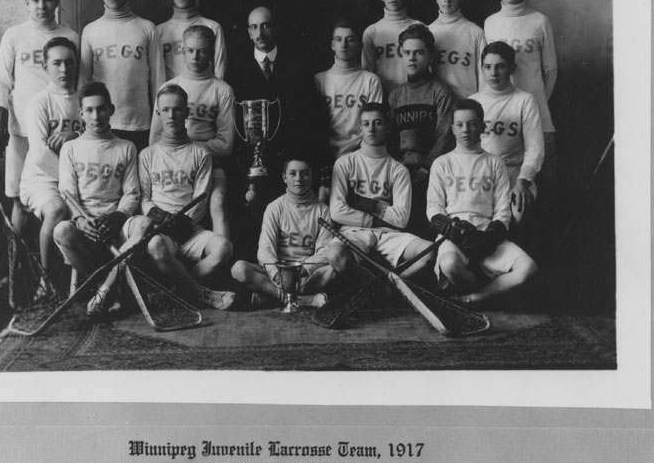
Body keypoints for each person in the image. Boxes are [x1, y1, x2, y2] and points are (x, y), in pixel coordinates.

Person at [0, 0, 79, 234]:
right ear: (26, 2)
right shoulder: (14, 35)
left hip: (59, 132)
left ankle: (54, 269)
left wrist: (76, 131)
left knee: (62, 200)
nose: (41, 6)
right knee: (19, 201)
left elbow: (79, 87)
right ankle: (17, 269)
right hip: (22, 132)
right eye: (35, 0)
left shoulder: (70, 37)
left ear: (57, 0)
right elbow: (2, 81)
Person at [427, 98, 538, 305]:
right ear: (452, 129)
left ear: (482, 126)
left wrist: (489, 238)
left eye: (471, 124)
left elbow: (503, 211)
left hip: (486, 234)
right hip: (454, 233)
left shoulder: (495, 163)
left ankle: (478, 297)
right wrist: (453, 230)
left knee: (528, 268)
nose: (466, 130)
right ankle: (488, 289)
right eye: (459, 125)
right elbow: (433, 209)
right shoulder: (442, 163)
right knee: (449, 264)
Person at [138, 84, 236, 310]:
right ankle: (200, 292)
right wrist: (159, 217)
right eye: (166, 110)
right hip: (160, 228)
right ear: (158, 113)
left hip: (189, 228)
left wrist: (184, 222)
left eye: (177, 109)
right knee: (155, 246)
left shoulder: (200, 153)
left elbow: (201, 197)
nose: (171, 116)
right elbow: (144, 198)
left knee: (223, 247)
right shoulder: (147, 155)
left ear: (187, 112)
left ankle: (179, 290)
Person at [54, 82, 146, 317]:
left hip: (116, 225)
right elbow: (68, 193)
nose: (97, 116)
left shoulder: (126, 147)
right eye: (90, 110)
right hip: (86, 225)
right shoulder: (71, 148)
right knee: (61, 231)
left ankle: (105, 287)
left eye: (102, 109)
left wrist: (117, 217)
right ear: (81, 114)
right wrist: (80, 220)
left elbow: (132, 193)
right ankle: (106, 287)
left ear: (112, 109)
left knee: (145, 225)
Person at [328, 103, 434, 285]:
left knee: (430, 252)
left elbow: (401, 219)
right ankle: (386, 287)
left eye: (377, 123)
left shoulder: (398, 169)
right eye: (366, 124)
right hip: (355, 232)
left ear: (387, 128)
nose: (371, 128)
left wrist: (372, 205)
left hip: (388, 233)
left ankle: (389, 286)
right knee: (336, 256)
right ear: (360, 128)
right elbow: (337, 211)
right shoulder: (345, 163)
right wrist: (377, 217)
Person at [230, 6, 322, 208]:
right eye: (254, 27)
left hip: (290, 160)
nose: (260, 33)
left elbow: (310, 117)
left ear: (275, 28)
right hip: (251, 163)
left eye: (265, 26)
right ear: (248, 32)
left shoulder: (297, 65)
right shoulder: (236, 70)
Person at [150, 25, 235, 239]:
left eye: (202, 51)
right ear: (183, 51)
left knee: (218, 203)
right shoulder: (169, 87)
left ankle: (220, 261)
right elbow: (154, 139)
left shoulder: (222, 89)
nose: (195, 57)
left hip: (210, 161)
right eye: (190, 50)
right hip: (171, 161)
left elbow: (225, 144)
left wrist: (192, 150)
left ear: (211, 52)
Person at [483, 0, 557, 187]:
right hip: (503, 117)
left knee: (539, 181)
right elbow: (488, 70)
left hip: (537, 113)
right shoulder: (490, 23)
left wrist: (537, 102)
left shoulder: (539, 21)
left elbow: (550, 70)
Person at [231, 152, 335, 309]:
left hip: (305, 276)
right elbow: (265, 250)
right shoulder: (275, 208)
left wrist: (303, 270)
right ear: (284, 178)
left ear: (312, 177)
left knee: (333, 270)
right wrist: (276, 276)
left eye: (304, 173)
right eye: (292, 174)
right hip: (277, 275)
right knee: (239, 268)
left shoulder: (323, 211)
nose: (298, 179)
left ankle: (272, 300)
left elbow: (324, 251)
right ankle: (303, 301)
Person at [19, 37, 83, 292]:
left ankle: (88, 280)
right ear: (45, 67)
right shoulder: (39, 102)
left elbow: (92, 138)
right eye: (57, 63)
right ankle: (45, 283)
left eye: (69, 63)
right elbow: (40, 153)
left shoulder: (84, 99)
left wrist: (75, 136)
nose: (64, 70)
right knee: (57, 209)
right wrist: (70, 186)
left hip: (78, 177)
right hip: (41, 177)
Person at [79, 0, 164, 152]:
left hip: (139, 123)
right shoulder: (91, 31)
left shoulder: (147, 28)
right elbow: (84, 82)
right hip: (101, 122)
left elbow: (158, 80)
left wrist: (158, 124)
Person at [387, 23, 455, 234]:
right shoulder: (396, 95)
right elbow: (389, 137)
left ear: (430, 56)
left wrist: (425, 168)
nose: (412, 58)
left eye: (418, 52)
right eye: (407, 53)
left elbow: (445, 136)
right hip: (400, 175)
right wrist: (398, 170)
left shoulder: (440, 91)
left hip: (429, 175)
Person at [469, 41, 544, 224]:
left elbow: (535, 149)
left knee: (516, 214)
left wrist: (523, 180)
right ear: (482, 68)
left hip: (514, 175)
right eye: (488, 67)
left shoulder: (525, 100)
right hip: (481, 176)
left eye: (500, 67)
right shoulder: (473, 102)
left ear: (511, 68)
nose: (493, 73)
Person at [313, 20, 383, 202]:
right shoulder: (320, 80)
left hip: (360, 158)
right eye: (338, 39)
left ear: (358, 44)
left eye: (350, 39)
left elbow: (375, 127)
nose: (344, 44)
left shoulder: (370, 80)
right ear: (332, 45)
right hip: (327, 160)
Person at [158, 0, 227, 81]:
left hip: (205, 95)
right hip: (172, 96)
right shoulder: (159, 31)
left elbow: (220, 71)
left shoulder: (213, 27)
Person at [361, 0, 421, 94]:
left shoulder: (419, 27)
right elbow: (367, 75)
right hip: (383, 99)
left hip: (414, 97)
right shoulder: (372, 32)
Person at [428, 0, 486, 99]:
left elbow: (483, 77)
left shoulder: (475, 31)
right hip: (437, 107)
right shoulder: (429, 32)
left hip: (468, 106)